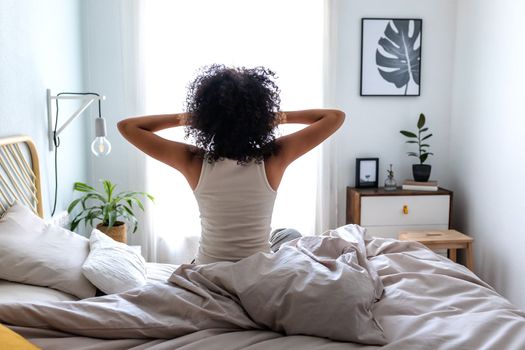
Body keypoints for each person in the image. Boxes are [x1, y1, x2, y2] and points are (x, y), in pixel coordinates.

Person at [118, 65, 345, 264]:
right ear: (259, 117)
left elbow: (127, 127)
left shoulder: (193, 161)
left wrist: (190, 118)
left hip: (208, 269)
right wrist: (272, 117)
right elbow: (334, 117)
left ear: (207, 120)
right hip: (258, 270)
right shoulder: (273, 158)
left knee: (285, 234)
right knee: (289, 234)